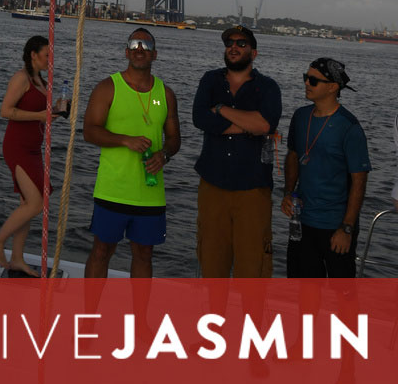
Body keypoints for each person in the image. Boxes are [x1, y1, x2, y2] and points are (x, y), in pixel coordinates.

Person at [83, 28, 180, 277]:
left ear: (155, 55)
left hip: (150, 194)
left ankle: (140, 318)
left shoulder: (166, 94)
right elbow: (90, 131)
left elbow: (174, 139)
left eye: (146, 45)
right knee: (102, 251)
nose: (140, 49)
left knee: (144, 255)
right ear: (126, 51)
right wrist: (124, 140)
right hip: (112, 190)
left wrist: (165, 155)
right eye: (134, 44)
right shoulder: (107, 87)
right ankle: (89, 314)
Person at [192, 25, 282, 277]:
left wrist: (220, 109)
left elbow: (265, 124)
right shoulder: (210, 80)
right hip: (212, 185)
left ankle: (250, 318)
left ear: (254, 53)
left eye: (241, 43)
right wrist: (247, 123)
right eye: (230, 42)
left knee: (253, 266)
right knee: (211, 262)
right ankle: (214, 316)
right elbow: (200, 118)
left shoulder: (268, 87)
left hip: (253, 189)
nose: (234, 46)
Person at [281, 57, 370, 278]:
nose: (306, 84)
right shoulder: (300, 117)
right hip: (302, 223)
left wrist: (346, 229)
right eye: (306, 78)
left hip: (335, 227)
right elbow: (293, 155)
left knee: (343, 297)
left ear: (332, 87)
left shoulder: (349, 127)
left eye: (313, 80)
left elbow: (359, 180)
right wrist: (288, 193)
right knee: (304, 292)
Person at [0, 35, 63, 276]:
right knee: (36, 203)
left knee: (27, 203)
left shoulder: (41, 81)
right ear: (33, 54)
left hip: (34, 148)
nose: (50, 59)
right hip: (18, 147)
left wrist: (55, 111)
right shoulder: (21, 78)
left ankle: (18, 258)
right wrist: (40, 116)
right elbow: (5, 111)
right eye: (46, 55)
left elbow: (40, 112)